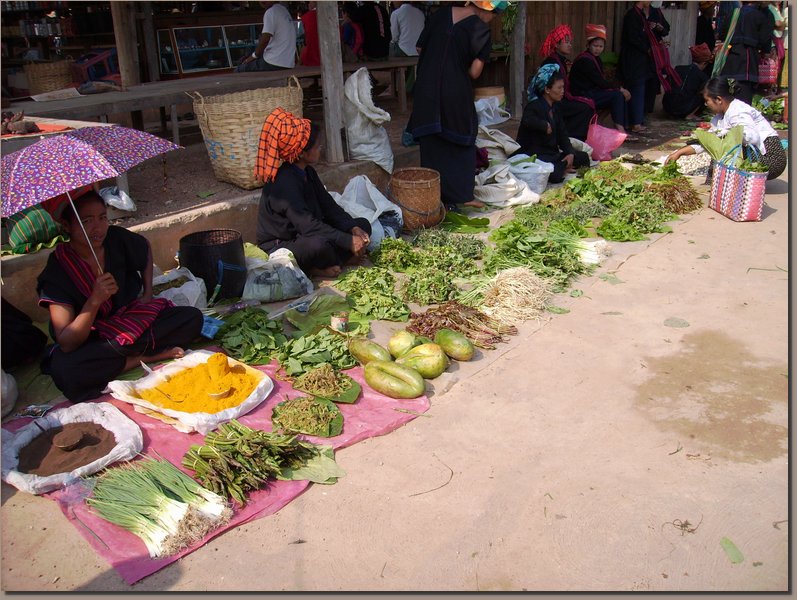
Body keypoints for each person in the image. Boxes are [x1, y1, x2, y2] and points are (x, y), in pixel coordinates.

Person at [36, 192, 203, 403]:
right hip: (95, 339)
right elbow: (67, 342)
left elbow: (144, 248)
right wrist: (94, 300)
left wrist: (148, 294)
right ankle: (142, 357)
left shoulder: (115, 238)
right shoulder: (58, 271)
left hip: (130, 323)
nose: (97, 228)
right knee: (67, 370)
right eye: (86, 221)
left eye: (102, 217)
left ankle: (125, 356)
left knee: (192, 318)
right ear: (67, 226)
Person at [408, 0, 506, 212]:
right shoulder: (480, 29)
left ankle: (434, 197)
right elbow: (474, 72)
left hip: (426, 87)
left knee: (432, 142)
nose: (492, 19)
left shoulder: (441, 15)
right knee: (462, 137)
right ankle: (462, 195)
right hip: (455, 91)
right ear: (487, 9)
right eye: (494, 14)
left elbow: (419, 47)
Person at [254, 108, 371, 278]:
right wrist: (347, 241)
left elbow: (329, 206)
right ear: (302, 153)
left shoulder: (307, 172)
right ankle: (316, 269)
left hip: (305, 233)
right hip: (283, 244)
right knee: (319, 245)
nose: (320, 149)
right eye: (317, 147)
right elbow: (308, 226)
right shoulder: (284, 183)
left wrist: (352, 228)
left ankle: (334, 261)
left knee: (363, 225)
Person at [665, 77, 787, 180]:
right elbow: (707, 142)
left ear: (718, 100)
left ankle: (729, 181)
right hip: (758, 155)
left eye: (707, 101)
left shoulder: (738, 111)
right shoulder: (719, 117)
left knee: (722, 149)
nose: (706, 104)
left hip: (771, 161)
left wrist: (723, 135)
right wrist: (679, 153)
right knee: (718, 145)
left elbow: (752, 138)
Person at [513, 64, 591, 184]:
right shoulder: (534, 106)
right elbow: (527, 120)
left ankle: (564, 167)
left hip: (551, 154)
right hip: (534, 156)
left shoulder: (556, 108)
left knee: (583, 157)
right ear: (547, 89)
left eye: (563, 87)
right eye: (559, 88)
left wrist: (570, 153)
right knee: (554, 172)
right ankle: (562, 168)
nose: (562, 91)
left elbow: (563, 135)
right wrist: (544, 125)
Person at [619, 1, 681, 133]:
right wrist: (648, 48)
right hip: (635, 58)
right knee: (637, 87)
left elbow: (665, 29)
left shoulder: (651, 12)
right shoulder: (632, 15)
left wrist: (658, 30)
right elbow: (632, 37)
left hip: (647, 59)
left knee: (646, 88)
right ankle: (635, 123)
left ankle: (639, 119)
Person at [569, 24, 632, 135]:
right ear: (588, 45)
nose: (598, 49)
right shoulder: (585, 60)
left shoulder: (595, 59)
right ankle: (620, 130)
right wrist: (620, 89)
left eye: (600, 46)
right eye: (595, 46)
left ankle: (598, 123)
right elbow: (601, 83)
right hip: (582, 93)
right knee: (617, 95)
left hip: (591, 91)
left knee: (615, 95)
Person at [539, 24, 596, 141]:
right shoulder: (551, 62)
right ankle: (571, 137)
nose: (570, 45)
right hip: (551, 102)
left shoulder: (562, 61)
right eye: (567, 42)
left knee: (587, 104)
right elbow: (547, 88)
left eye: (570, 42)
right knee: (585, 108)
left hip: (559, 98)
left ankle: (570, 137)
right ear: (556, 44)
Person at [714, 1, 773, 103]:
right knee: (744, 97)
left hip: (730, 59)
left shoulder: (733, 13)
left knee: (729, 94)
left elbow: (722, 34)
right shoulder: (760, 16)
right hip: (748, 61)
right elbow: (765, 40)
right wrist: (765, 51)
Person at [236, 1, 297, 72]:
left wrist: (253, 56)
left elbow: (265, 39)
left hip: (274, 62)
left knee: (239, 69)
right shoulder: (284, 10)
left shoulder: (271, 12)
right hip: (288, 63)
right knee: (244, 60)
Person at [662, 43, 712, 119]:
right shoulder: (702, 76)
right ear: (704, 63)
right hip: (684, 110)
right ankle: (690, 115)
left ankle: (670, 111)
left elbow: (666, 84)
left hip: (667, 108)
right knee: (704, 93)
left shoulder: (678, 68)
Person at [299, 1, 319, 67]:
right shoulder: (327, 16)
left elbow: (300, 34)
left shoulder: (305, 18)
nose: (308, 4)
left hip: (310, 54)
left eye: (310, 2)